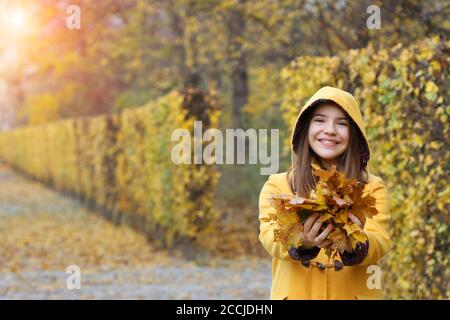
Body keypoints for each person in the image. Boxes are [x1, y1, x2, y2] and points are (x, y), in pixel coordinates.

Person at [258, 86, 391, 300]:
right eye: (320, 120)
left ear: (355, 134)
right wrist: (302, 241)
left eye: (342, 123)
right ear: (305, 129)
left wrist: (355, 242)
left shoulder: (371, 188)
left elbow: (380, 241)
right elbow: (270, 237)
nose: (330, 130)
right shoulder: (278, 186)